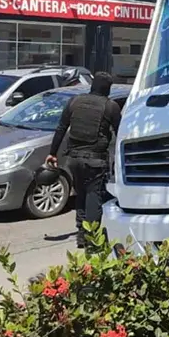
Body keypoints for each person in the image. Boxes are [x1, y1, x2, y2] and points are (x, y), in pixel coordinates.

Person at [46, 72, 121, 248]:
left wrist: (52, 153)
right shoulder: (111, 106)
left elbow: (61, 128)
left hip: (73, 159)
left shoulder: (75, 101)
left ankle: (81, 231)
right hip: (95, 161)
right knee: (93, 196)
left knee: (81, 194)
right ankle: (90, 237)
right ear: (108, 89)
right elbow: (120, 132)